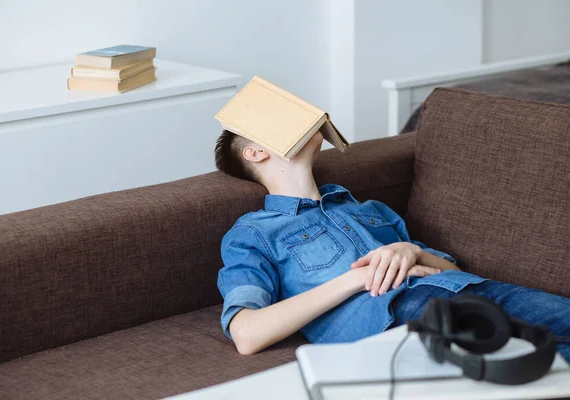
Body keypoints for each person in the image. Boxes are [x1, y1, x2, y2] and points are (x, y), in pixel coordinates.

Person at [214, 130, 570, 361]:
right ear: (256, 152)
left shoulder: (368, 209)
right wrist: (356, 279)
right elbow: (247, 334)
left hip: (474, 287)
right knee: (525, 364)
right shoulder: (253, 233)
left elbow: (453, 270)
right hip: (402, 313)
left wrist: (412, 251)